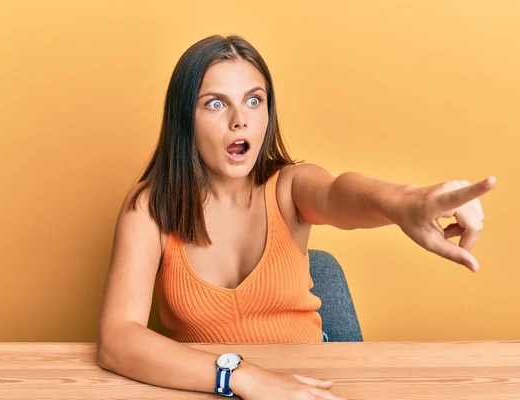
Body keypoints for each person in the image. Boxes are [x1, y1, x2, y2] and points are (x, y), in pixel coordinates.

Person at [96, 34, 496, 400]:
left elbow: (340, 192)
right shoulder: (151, 206)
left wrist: (406, 200)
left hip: (310, 388)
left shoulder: (288, 187)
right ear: (185, 118)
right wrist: (244, 377)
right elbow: (117, 339)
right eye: (216, 103)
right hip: (206, 389)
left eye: (254, 100)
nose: (240, 119)